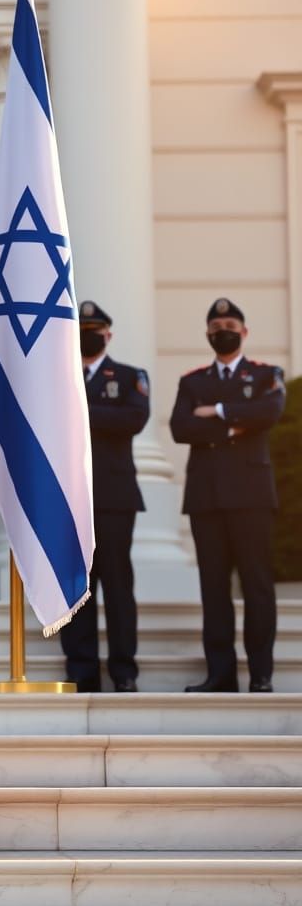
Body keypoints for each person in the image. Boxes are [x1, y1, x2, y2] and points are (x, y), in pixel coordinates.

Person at [171, 297, 285, 693]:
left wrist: (216, 410)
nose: (224, 331)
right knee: (214, 589)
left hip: (252, 498)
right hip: (206, 498)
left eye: (231, 326)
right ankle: (220, 675)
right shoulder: (192, 381)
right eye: (217, 327)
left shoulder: (266, 374)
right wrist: (236, 424)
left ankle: (261, 674)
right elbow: (180, 428)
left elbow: (269, 412)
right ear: (207, 333)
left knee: (257, 587)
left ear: (244, 332)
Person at [60, 301, 149, 693]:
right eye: (82, 330)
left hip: (114, 497)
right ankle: (82, 671)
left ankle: (124, 671)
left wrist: (79, 409)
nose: (89, 336)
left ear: (108, 335)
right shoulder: (58, 376)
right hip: (69, 497)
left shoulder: (130, 376)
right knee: (76, 587)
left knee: (117, 587)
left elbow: (133, 419)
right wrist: (99, 414)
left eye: (95, 331)